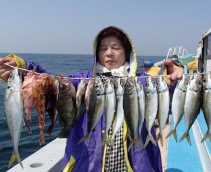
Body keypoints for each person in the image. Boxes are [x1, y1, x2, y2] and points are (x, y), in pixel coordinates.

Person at [0, 26, 183, 172]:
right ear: (97, 54)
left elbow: (167, 103)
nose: (109, 53)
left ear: (127, 53)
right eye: (103, 48)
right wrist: (23, 69)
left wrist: (174, 81)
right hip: (88, 164)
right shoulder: (83, 80)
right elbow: (50, 85)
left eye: (116, 47)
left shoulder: (143, 82)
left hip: (135, 165)